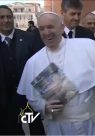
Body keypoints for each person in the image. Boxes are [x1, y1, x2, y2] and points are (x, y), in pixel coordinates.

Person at [17, 12, 95, 135]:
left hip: (91, 123)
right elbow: (32, 98)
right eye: (42, 29)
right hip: (59, 127)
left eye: (50, 27)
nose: (46, 32)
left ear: (61, 27)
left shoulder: (84, 45)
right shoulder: (34, 62)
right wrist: (44, 107)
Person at [0, 5, 44, 135]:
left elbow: (41, 65)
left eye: (9, 17)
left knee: (35, 127)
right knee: (12, 129)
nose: (6, 20)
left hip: (28, 97)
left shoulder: (29, 38)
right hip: (5, 99)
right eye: (1, 17)